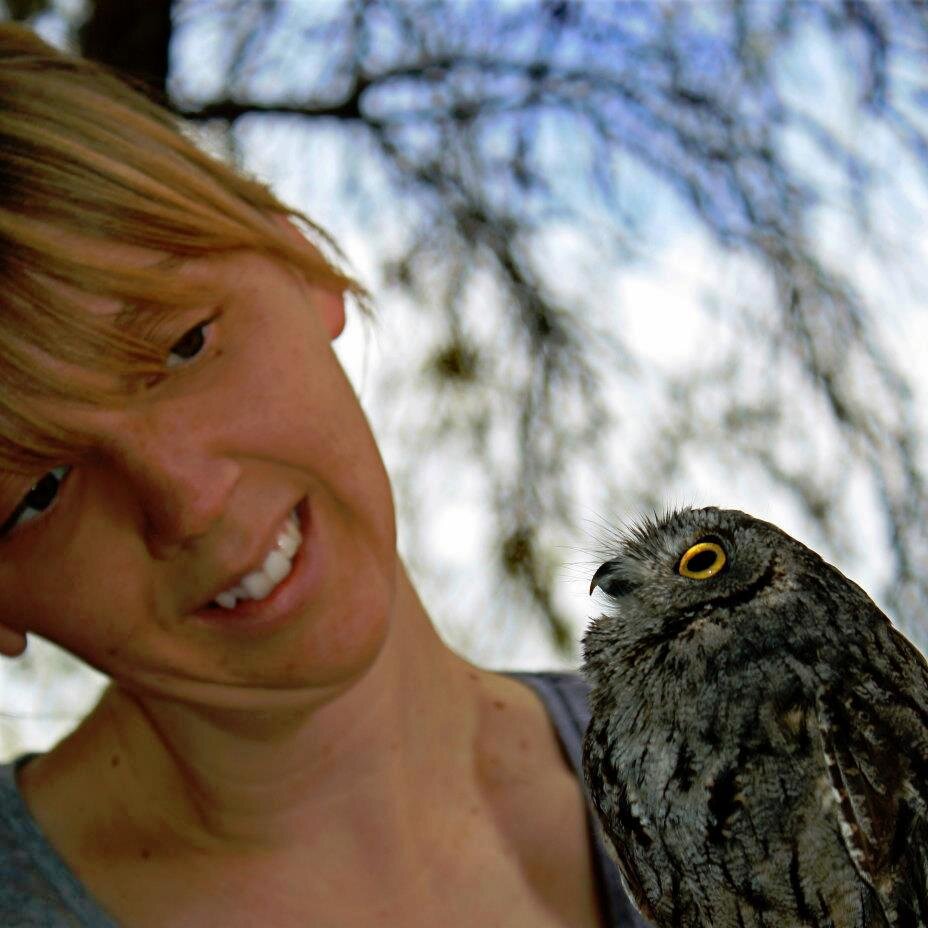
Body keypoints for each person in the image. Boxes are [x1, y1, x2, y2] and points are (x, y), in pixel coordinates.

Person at [0, 23, 642, 927]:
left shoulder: (817, 782)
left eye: (186, 344)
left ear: (304, 260)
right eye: (39, 492)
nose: (187, 498)